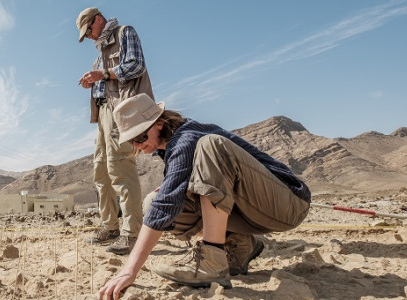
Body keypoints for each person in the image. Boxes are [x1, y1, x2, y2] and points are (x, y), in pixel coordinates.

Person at [98, 94, 311, 298]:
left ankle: (212, 262)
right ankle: (239, 243)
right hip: (256, 210)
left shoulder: (186, 138)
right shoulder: (173, 145)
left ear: (159, 123)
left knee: (211, 146)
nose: (137, 145)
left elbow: (166, 206)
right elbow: (167, 201)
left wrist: (129, 270)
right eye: (131, 141)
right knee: (152, 200)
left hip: (290, 204)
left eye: (140, 136)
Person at [76, 7, 154, 255]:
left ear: (98, 20)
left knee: (120, 165)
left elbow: (136, 66)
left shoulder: (124, 33)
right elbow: (104, 78)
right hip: (102, 114)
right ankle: (109, 227)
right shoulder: (100, 51)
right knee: (101, 170)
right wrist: (93, 80)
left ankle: (131, 234)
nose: (88, 36)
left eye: (88, 30)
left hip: (121, 109)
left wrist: (104, 73)